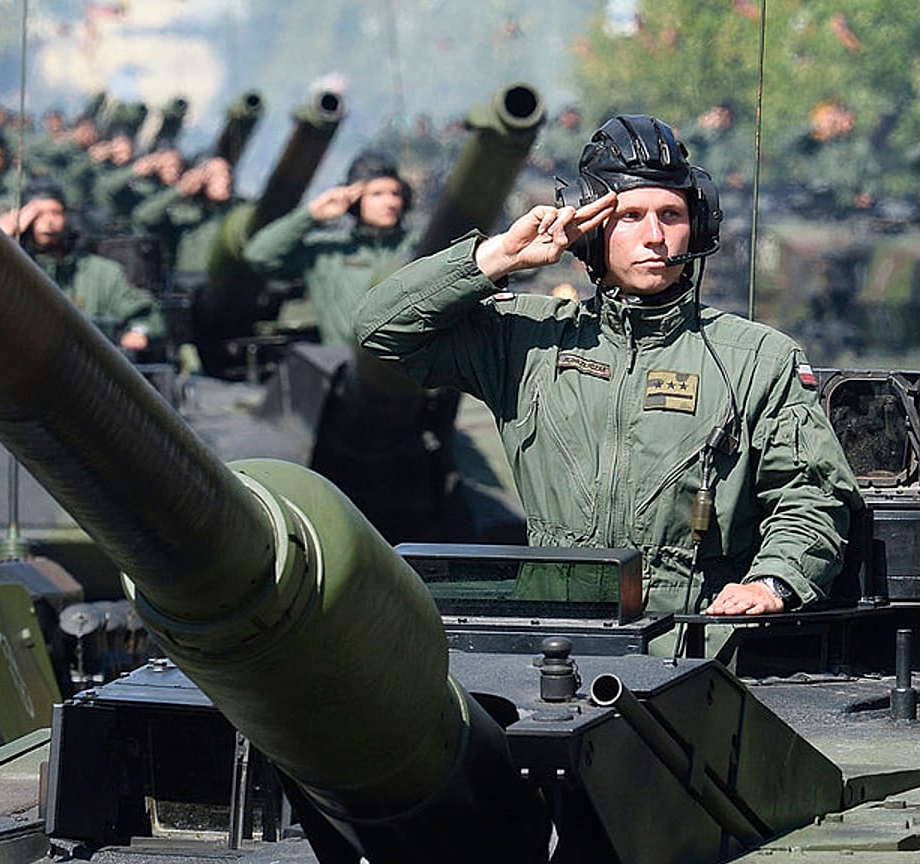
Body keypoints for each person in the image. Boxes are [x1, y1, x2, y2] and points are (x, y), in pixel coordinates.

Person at [355, 114, 862, 618]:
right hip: (554, 633)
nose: (655, 236)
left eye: (671, 215)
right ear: (592, 230)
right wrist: (498, 256)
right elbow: (381, 328)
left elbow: (811, 496)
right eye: (629, 216)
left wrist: (774, 579)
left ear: (699, 224)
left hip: (692, 640)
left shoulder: (756, 359)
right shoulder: (527, 340)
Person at [243, 151, 415, 346]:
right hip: (347, 364)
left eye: (396, 194)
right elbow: (259, 255)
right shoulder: (327, 253)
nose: (391, 202)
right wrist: (311, 215)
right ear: (355, 200)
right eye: (377, 194)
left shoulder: (415, 245)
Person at [0, 179, 164, 353]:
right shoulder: (10, 269)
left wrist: (138, 331)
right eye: (37, 215)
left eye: (55, 212)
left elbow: (143, 313)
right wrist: (1, 238)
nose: (48, 221)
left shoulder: (101, 271)